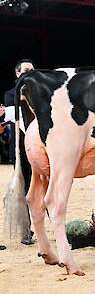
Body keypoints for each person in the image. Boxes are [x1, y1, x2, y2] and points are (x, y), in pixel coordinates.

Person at [3, 58, 35, 245]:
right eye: (25, 70)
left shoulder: (41, 93)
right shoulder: (9, 95)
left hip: (41, 146)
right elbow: (14, 120)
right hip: (21, 147)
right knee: (23, 186)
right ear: (17, 74)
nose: (29, 72)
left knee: (44, 184)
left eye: (32, 69)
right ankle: (26, 230)